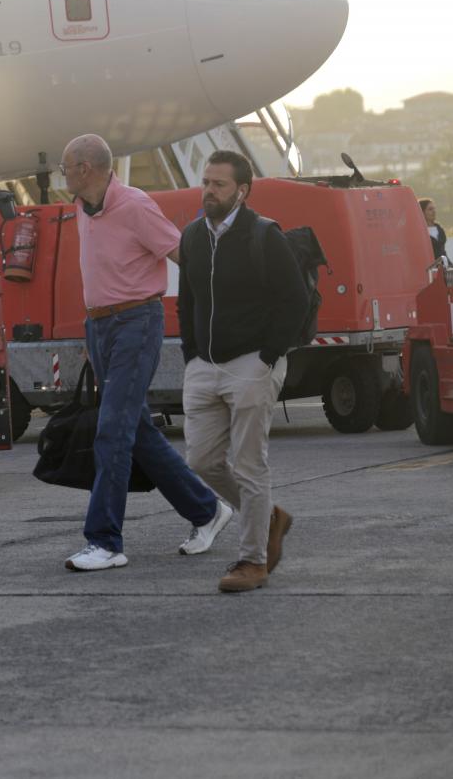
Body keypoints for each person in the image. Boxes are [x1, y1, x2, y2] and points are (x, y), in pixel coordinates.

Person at [58, 134, 229, 572]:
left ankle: (105, 541)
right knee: (138, 435)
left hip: (136, 323)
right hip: (100, 326)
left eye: (66, 168)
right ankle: (207, 510)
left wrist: (215, 313)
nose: (62, 175)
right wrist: (92, 327)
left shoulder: (134, 206)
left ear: (86, 169)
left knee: (111, 431)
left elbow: (184, 256)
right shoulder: (82, 206)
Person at [177, 152, 309, 592]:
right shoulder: (193, 235)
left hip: (251, 363)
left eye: (218, 184)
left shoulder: (264, 235)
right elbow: (187, 301)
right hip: (204, 367)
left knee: (251, 466)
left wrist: (268, 355)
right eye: (206, 182)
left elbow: (295, 300)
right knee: (201, 460)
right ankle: (269, 517)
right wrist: (191, 354)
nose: (208, 190)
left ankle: (252, 561)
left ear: (242, 191)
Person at [420, 198, 450, 266]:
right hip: (429, 268)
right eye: (430, 209)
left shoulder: (440, 229)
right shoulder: (419, 232)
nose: (434, 211)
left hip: (443, 265)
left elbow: (443, 252)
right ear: (422, 212)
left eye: (434, 208)